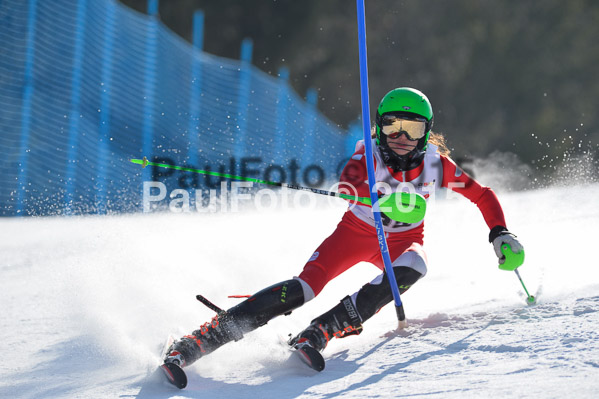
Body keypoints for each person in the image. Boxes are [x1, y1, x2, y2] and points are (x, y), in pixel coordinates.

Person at [163, 87, 524, 370]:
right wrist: (382, 197)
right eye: (392, 125)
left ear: (426, 132)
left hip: (403, 242)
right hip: (354, 234)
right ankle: (202, 339)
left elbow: (482, 194)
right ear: (379, 126)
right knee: (304, 288)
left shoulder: (436, 165)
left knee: (417, 264)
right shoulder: (368, 153)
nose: (400, 136)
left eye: (412, 129)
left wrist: (500, 232)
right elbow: (349, 183)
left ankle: (324, 329)